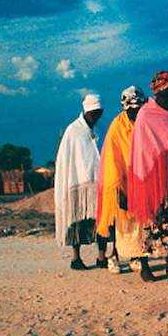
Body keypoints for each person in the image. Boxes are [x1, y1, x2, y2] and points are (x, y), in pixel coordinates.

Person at [127, 71, 168, 282]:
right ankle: (144, 265)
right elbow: (142, 150)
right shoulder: (146, 115)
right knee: (150, 223)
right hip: (150, 176)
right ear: (157, 93)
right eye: (166, 94)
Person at [96, 86, 148, 274]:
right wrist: (118, 190)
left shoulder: (145, 122)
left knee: (140, 224)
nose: (136, 112)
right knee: (121, 224)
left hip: (142, 180)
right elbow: (112, 158)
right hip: (122, 180)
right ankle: (114, 256)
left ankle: (137, 257)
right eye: (132, 110)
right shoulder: (117, 127)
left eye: (139, 108)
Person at [54, 93, 104, 270]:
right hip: (77, 185)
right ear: (86, 112)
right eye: (93, 113)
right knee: (77, 221)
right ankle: (76, 258)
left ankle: (101, 256)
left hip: (96, 183)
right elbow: (67, 159)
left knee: (101, 221)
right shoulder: (73, 131)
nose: (96, 117)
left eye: (98, 113)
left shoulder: (95, 130)